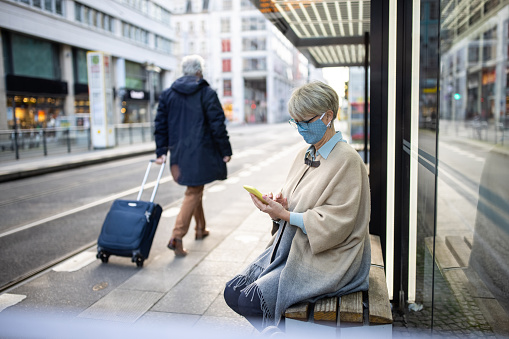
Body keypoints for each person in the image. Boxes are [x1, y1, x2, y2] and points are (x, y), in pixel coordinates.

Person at [223, 81, 371, 330]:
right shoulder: (308, 153)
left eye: (305, 121)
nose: (300, 129)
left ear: (328, 116)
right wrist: (280, 207)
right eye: (296, 122)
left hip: (332, 258)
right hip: (298, 248)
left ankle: (281, 332)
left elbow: (338, 223)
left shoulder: (348, 160)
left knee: (250, 301)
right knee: (232, 291)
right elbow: (296, 206)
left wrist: (287, 214)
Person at [154, 55, 232, 257]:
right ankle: (177, 236)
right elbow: (217, 124)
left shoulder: (168, 94)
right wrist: (225, 151)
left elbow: (160, 124)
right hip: (202, 151)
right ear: (199, 71)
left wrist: (161, 151)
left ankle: (200, 229)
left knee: (195, 187)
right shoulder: (206, 93)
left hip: (179, 153)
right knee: (193, 191)